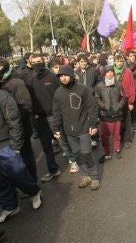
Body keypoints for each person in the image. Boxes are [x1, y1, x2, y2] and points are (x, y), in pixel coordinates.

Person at [53, 65, 100, 190]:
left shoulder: (83, 89)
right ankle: (85, 176)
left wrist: (93, 124)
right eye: (60, 76)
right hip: (69, 131)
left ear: (71, 75)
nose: (62, 78)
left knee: (86, 153)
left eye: (65, 75)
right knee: (77, 155)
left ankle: (94, 177)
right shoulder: (58, 93)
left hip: (84, 129)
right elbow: (56, 112)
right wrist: (56, 129)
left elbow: (92, 108)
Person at [0, 89, 42, 222]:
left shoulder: (3, 96)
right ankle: (10, 206)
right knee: (1, 181)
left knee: (18, 173)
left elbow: (14, 120)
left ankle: (34, 192)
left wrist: (16, 146)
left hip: (6, 143)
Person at [26, 53, 61, 182]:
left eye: (39, 61)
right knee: (46, 146)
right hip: (39, 119)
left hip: (54, 116)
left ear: (44, 61)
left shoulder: (52, 76)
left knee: (64, 141)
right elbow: (29, 100)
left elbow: (60, 96)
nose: (37, 64)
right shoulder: (30, 80)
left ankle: (76, 162)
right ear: (30, 63)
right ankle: (53, 169)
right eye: (34, 62)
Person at [95, 65, 127, 163]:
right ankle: (107, 153)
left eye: (111, 71)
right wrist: (103, 106)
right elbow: (97, 98)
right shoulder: (99, 86)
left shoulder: (118, 84)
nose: (110, 74)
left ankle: (117, 149)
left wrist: (119, 106)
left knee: (116, 135)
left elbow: (123, 97)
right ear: (104, 73)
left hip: (117, 114)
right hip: (105, 115)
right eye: (107, 72)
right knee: (104, 136)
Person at [113, 54, 136, 149]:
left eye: (121, 61)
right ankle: (120, 137)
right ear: (114, 62)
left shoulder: (128, 72)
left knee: (127, 120)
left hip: (126, 99)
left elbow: (131, 87)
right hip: (115, 100)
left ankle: (127, 139)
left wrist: (131, 102)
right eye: (117, 61)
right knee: (118, 120)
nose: (119, 63)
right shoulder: (111, 72)